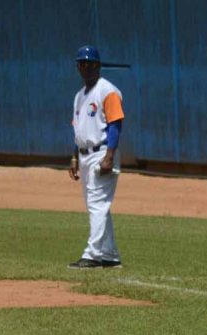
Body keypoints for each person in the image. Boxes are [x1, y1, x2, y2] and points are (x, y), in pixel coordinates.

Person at [68, 45, 124, 269]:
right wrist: (74, 158)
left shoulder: (107, 91)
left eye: (89, 63)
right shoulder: (79, 96)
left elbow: (115, 124)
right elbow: (78, 130)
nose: (85, 67)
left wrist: (109, 156)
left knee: (97, 203)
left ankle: (92, 254)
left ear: (98, 66)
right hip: (84, 155)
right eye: (81, 63)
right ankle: (110, 255)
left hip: (102, 152)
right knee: (98, 205)